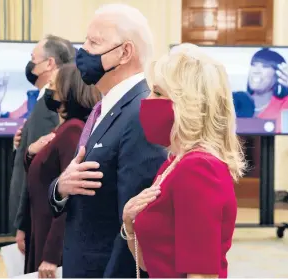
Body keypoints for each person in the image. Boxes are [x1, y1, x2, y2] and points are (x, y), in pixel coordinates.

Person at [47, 4, 167, 278]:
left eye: (94, 42)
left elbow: (135, 222)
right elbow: (76, 183)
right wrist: (60, 188)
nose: (83, 50)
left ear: (125, 52)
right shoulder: (105, 108)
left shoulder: (141, 112)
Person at [121, 43, 247, 278]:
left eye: (158, 93)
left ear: (188, 105)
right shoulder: (173, 163)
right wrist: (129, 223)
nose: (147, 100)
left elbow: (201, 273)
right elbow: (150, 263)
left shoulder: (198, 169)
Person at [23, 63, 100, 277]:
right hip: (42, 226)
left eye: (53, 84)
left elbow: (69, 196)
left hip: (52, 236)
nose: (49, 89)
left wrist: (51, 254)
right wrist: (30, 153)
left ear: (67, 90)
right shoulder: (63, 128)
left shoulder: (73, 130)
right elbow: (43, 175)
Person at [9, 35, 75, 261]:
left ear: (49, 64)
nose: (30, 64)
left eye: (33, 58)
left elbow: (41, 170)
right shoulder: (42, 100)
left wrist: (23, 223)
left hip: (39, 216)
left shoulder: (51, 104)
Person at [233, 48, 288, 132]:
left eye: (265, 66)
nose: (256, 71)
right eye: (253, 65)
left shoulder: (284, 105)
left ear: (279, 75)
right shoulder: (234, 101)